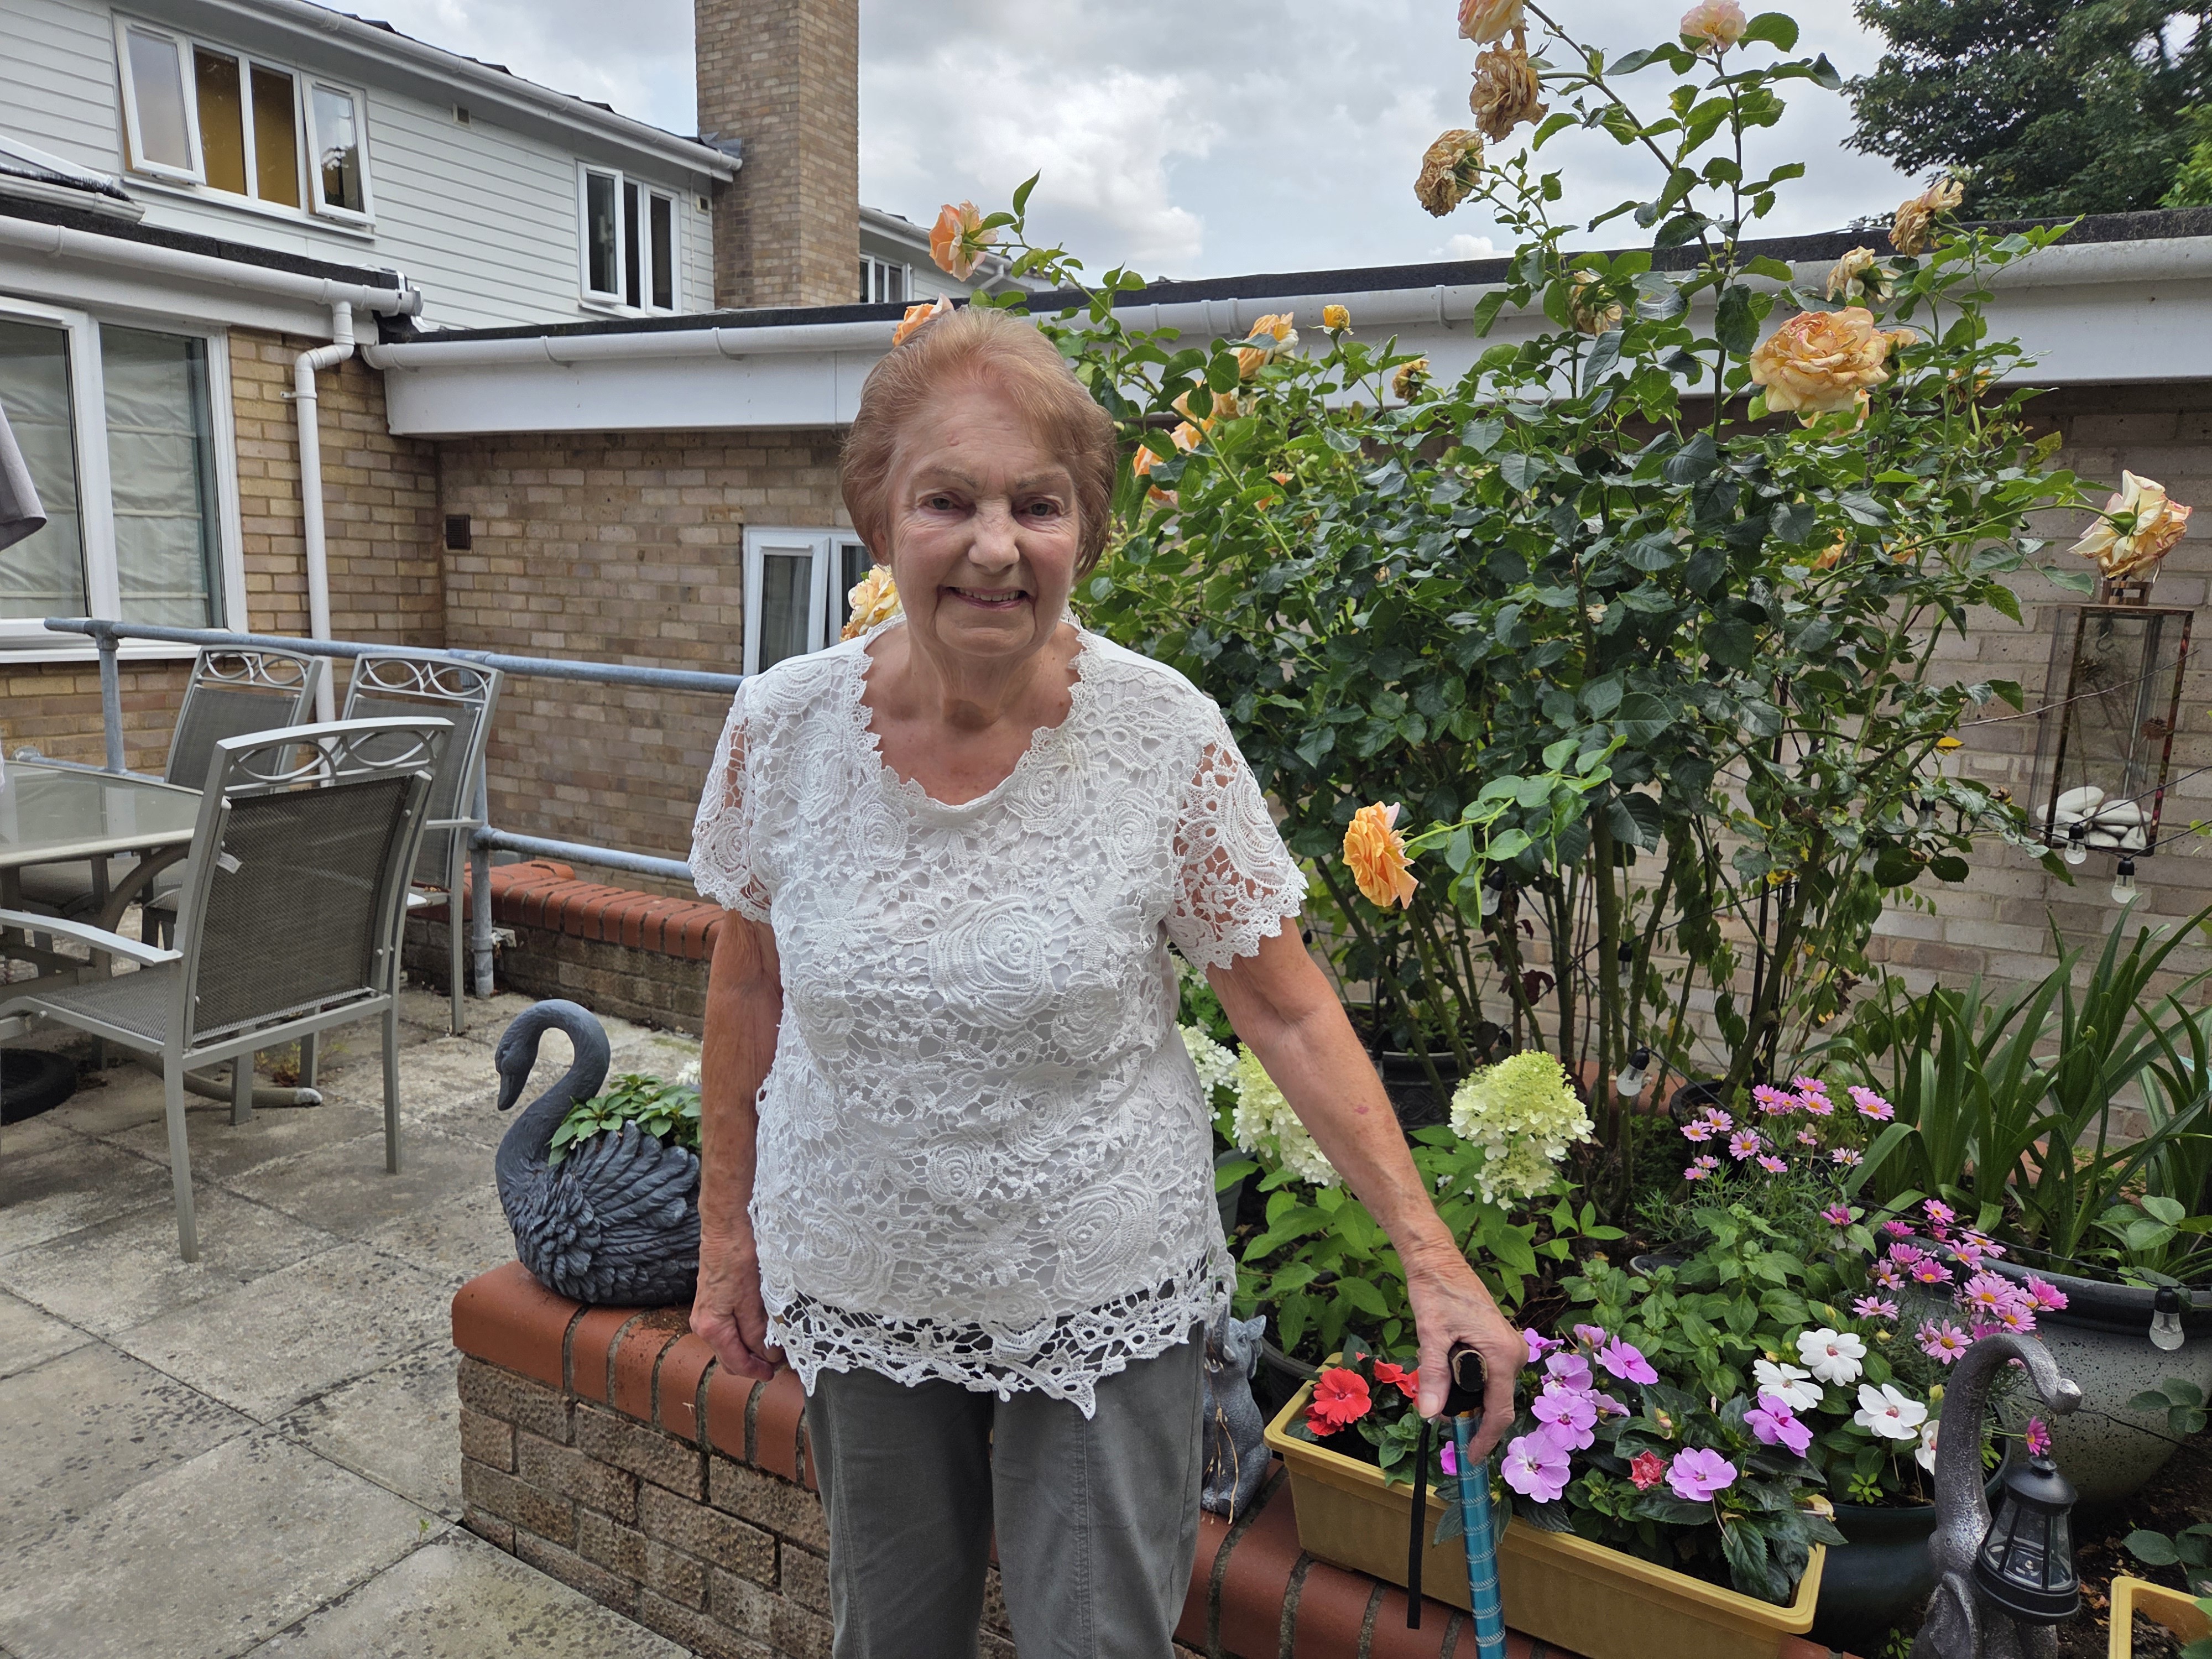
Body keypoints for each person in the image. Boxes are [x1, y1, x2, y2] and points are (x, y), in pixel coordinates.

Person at [687, 304, 1521, 1658]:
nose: (994, 545)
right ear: (878, 520)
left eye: (1040, 504)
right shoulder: (782, 725)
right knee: (885, 1638)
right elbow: (748, 987)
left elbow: (1287, 1007)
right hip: (861, 1266)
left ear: (1086, 529)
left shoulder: (1161, 735)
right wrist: (727, 1234)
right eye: (946, 500)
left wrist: (1432, 1261)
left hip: (1095, 1283)